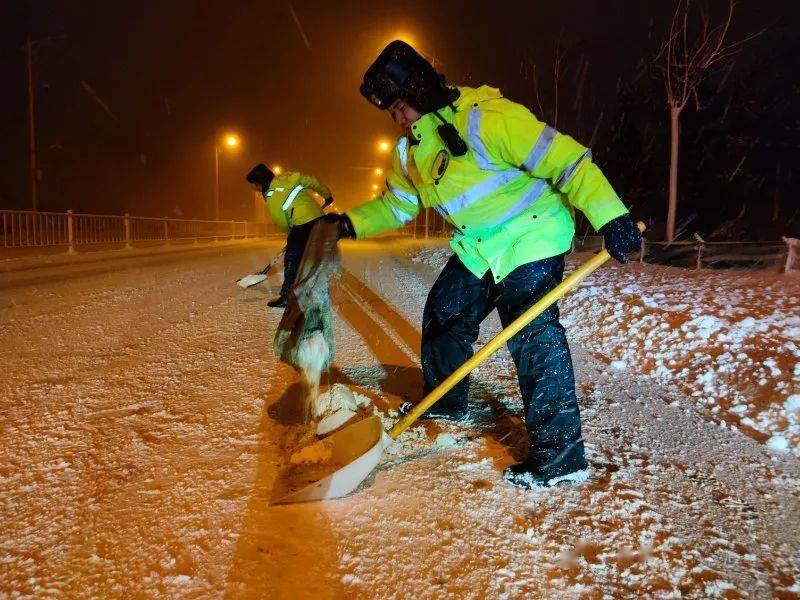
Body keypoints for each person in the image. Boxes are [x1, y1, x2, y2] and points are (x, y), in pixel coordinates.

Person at [323, 41, 642, 489]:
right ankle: (447, 401)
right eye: (390, 112)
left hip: (532, 235)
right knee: (445, 312)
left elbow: (567, 161)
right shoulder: (410, 151)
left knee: (533, 335)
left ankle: (561, 458)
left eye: (400, 107)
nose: (396, 118)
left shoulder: (486, 118)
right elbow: (397, 205)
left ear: (419, 89)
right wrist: (348, 224)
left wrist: (613, 216)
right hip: (481, 247)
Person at [246, 164, 334, 307]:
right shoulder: (289, 178)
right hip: (319, 219)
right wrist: (327, 195)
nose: (252, 188)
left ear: (260, 184)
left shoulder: (272, 197)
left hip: (301, 224)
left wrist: (292, 235)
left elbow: (281, 221)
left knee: (292, 260)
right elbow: (313, 182)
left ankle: (287, 297)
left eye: (253, 185)